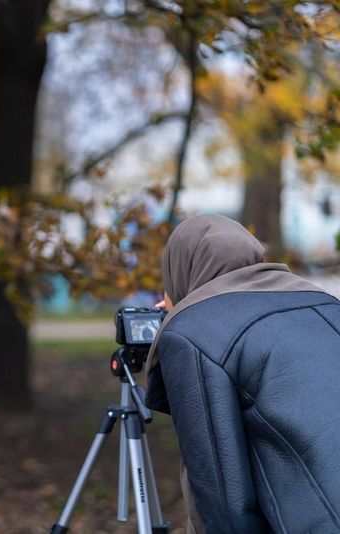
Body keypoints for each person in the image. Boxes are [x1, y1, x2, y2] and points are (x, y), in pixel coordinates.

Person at [145, 214, 340, 533]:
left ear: (180, 267)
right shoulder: (327, 303)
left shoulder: (193, 330)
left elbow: (224, 501)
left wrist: (175, 323)